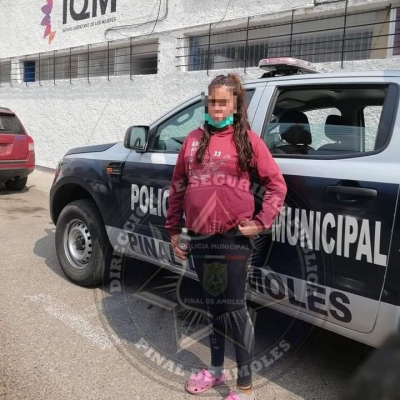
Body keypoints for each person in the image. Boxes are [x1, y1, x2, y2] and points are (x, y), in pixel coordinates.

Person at [165, 73, 287, 400]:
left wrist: (261, 221)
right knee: (214, 305)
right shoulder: (192, 139)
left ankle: (245, 388)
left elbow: (277, 186)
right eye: (212, 102)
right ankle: (216, 372)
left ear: (235, 105)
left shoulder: (248, 141)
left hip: (233, 240)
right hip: (202, 240)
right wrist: (174, 230)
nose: (216, 109)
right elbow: (178, 187)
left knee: (234, 308)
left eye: (223, 103)